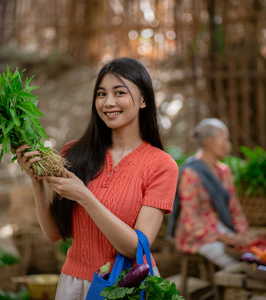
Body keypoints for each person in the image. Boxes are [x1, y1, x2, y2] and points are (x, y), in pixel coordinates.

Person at [16, 57, 178, 300]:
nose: (108, 102)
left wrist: (84, 196)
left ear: (143, 100)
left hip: (127, 287)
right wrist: (36, 182)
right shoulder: (73, 154)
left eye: (119, 92)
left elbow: (136, 247)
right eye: (101, 94)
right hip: (74, 285)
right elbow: (53, 234)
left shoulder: (161, 165)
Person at [170, 118, 253, 269]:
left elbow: (235, 209)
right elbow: (191, 221)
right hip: (197, 235)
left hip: (220, 228)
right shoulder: (191, 173)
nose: (228, 145)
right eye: (225, 140)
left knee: (249, 254)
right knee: (237, 263)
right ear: (209, 142)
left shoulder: (224, 172)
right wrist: (225, 238)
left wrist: (243, 234)